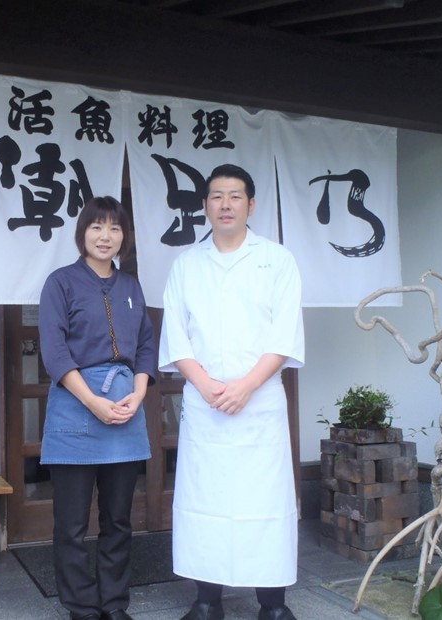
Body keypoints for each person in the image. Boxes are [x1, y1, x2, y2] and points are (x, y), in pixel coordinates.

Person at [158, 164, 305, 620]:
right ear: (204, 206)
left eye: (235, 196)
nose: (225, 204)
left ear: (251, 205)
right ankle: (207, 601)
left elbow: (284, 335)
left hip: (259, 401)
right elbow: (176, 336)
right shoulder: (186, 264)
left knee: (266, 502)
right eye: (216, 196)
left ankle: (273, 605)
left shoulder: (277, 259)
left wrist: (245, 386)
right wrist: (204, 385)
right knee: (206, 501)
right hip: (205, 403)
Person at [38, 196, 157, 620]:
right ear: (82, 233)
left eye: (114, 228)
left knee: (118, 520)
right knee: (70, 525)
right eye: (96, 227)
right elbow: (53, 352)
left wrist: (140, 393)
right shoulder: (61, 282)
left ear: (124, 237)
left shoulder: (130, 286)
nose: (105, 236)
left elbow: (145, 343)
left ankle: (114, 603)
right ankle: (81, 607)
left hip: (125, 409)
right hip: (75, 407)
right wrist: (92, 402)